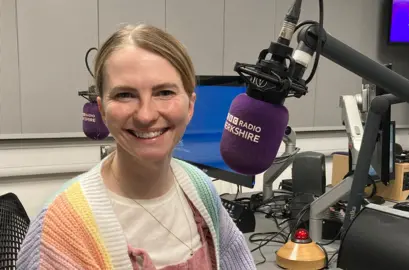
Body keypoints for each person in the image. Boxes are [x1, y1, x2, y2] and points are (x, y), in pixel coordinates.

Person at [17, 24, 255, 270]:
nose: (145, 115)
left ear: (190, 106)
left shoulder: (200, 189)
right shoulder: (64, 227)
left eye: (164, 92)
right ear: (102, 110)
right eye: (124, 95)